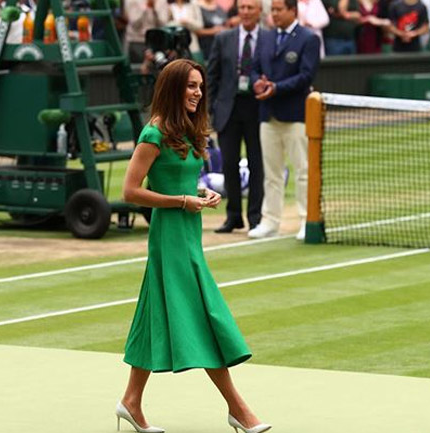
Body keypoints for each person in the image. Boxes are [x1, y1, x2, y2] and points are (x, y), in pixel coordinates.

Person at [119, 59, 270, 433]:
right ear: (172, 89)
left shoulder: (185, 132)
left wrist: (199, 192)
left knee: (154, 316)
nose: (197, 92)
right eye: (189, 86)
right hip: (170, 238)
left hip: (188, 236)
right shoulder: (153, 134)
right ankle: (239, 409)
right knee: (204, 317)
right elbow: (131, 190)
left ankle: (130, 402)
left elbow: (178, 181)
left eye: (200, 86)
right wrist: (182, 202)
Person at [248, 0, 320, 240]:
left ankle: (305, 219)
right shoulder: (265, 37)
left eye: (279, 10)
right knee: (272, 173)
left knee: (303, 171)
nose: (274, 14)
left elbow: (306, 75)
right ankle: (270, 221)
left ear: (293, 11)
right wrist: (257, 82)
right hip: (267, 115)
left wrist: (276, 87)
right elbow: (254, 69)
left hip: (296, 115)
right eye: (273, 10)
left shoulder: (309, 38)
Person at [208, 0, 266, 233]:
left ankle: (255, 217)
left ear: (259, 11)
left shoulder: (269, 38)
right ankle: (233, 216)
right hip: (228, 111)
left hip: (257, 109)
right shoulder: (223, 39)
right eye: (242, 7)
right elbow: (211, 75)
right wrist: (212, 107)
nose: (245, 12)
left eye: (250, 7)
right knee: (229, 164)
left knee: (257, 164)